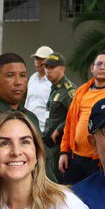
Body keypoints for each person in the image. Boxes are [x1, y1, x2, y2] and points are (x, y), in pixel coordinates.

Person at [60, 51, 105, 184]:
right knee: (70, 196)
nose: (102, 67)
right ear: (92, 68)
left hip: (100, 159)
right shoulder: (81, 91)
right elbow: (69, 123)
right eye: (99, 64)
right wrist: (64, 152)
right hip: (75, 157)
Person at [42, 53, 75, 183]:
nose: (47, 71)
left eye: (52, 67)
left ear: (62, 69)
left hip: (61, 144)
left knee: (59, 181)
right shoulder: (55, 88)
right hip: (50, 142)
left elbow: (75, 115)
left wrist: (59, 129)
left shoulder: (69, 90)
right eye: (46, 67)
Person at [25, 46, 54, 128]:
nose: (37, 62)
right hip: (29, 126)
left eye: (41, 59)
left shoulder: (53, 81)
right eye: (36, 59)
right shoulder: (32, 78)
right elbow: (28, 101)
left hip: (44, 128)